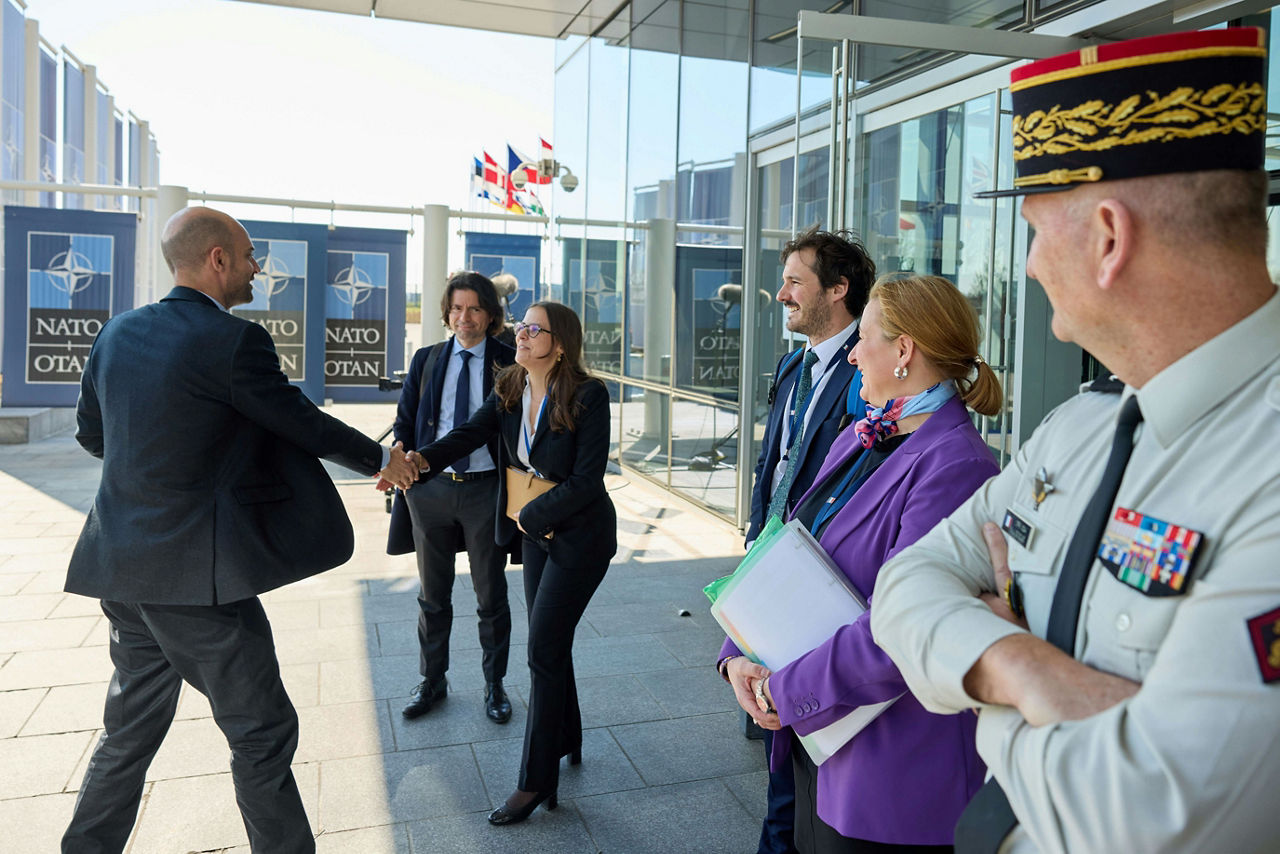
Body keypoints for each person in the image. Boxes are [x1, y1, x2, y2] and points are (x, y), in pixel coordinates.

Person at [870, 28, 1280, 854]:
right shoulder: (1079, 427)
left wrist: (980, 695)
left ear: (1106, 237)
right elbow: (904, 584)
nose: (1025, 265)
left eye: (1032, 229)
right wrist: (1025, 669)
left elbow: (1145, 816)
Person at [61, 206, 418, 854]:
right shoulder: (231, 341)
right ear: (218, 259)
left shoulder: (116, 333)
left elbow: (93, 436)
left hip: (122, 569)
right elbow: (300, 422)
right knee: (262, 733)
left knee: (128, 733)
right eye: (251, 255)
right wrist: (383, 460)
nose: (259, 268)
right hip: (196, 583)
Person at [723, 275, 1003, 853]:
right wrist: (738, 656)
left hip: (888, 763)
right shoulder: (864, 433)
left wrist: (784, 686)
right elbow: (789, 551)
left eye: (864, 338)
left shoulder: (959, 466)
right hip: (817, 732)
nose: (852, 352)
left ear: (903, 352)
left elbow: (901, 629)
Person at [408, 301, 616, 826]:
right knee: (551, 643)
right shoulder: (510, 386)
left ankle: (534, 779)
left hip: (580, 538)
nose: (520, 334)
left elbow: (587, 480)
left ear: (560, 343)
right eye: (520, 326)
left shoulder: (589, 394)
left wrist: (532, 514)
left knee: (542, 649)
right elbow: (465, 437)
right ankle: (566, 735)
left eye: (533, 329)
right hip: (536, 536)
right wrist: (417, 461)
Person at [735, 227, 877, 854]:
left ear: (839, 289)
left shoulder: (866, 373)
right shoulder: (796, 363)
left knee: (795, 764)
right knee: (777, 746)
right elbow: (777, 461)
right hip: (771, 564)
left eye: (795, 281)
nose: (780, 293)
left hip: (819, 580)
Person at [392, 271, 516, 724]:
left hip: (486, 492)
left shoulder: (509, 361)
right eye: (457, 308)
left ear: (490, 315)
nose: (465, 317)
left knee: (490, 595)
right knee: (433, 596)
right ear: (447, 313)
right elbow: (405, 423)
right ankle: (432, 681)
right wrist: (403, 463)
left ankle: (494, 685)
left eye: (475, 309)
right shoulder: (426, 360)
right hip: (431, 494)